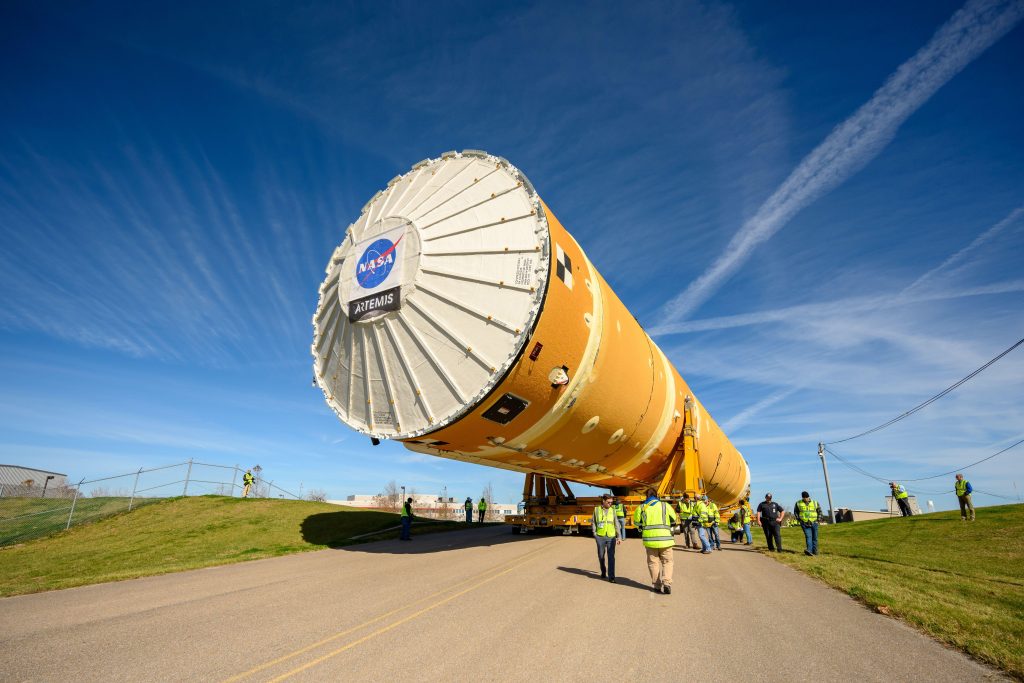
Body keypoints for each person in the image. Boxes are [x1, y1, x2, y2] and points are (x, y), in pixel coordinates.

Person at [633, 488, 678, 593]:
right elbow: (674, 519)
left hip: (650, 540)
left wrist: (641, 527)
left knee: (653, 563)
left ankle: (657, 586)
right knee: (667, 562)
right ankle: (666, 583)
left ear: (646, 496)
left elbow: (636, 523)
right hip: (666, 540)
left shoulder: (641, 508)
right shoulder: (665, 506)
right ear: (656, 495)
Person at [592, 493, 624, 582]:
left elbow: (616, 523)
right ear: (603, 501)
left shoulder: (613, 510)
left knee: (611, 557)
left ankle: (611, 577)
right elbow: (593, 522)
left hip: (611, 536)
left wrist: (619, 537)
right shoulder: (596, 510)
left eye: (611, 502)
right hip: (600, 536)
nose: (610, 504)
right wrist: (594, 533)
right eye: (608, 502)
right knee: (601, 556)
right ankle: (603, 570)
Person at [794, 491, 822, 556]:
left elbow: (819, 511)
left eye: (806, 497)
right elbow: (796, 512)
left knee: (815, 537)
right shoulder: (798, 503)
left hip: (814, 522)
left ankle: (815, 551)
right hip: (804, 523)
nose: (805, 499)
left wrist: (818, 520)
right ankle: (809, 550)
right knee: (808, 536)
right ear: (802, 497)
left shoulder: (815, 502)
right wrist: (800, 520)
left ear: (809, 497)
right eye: (804, 497)